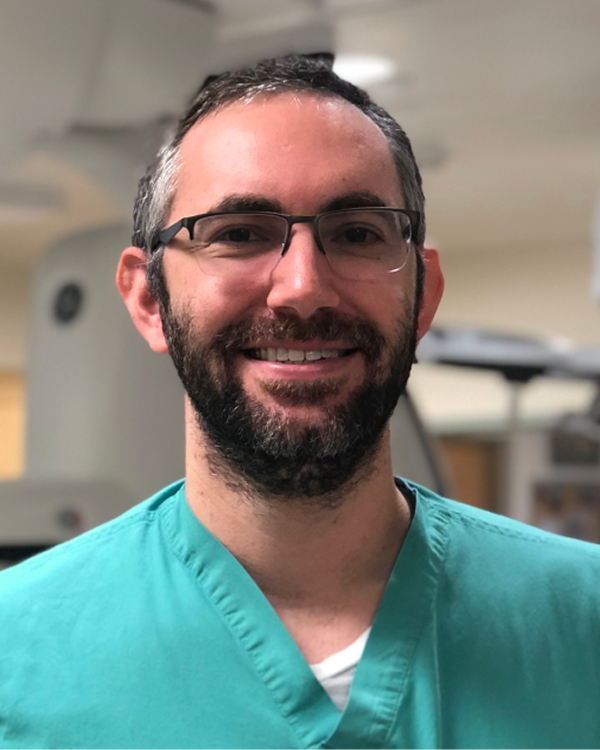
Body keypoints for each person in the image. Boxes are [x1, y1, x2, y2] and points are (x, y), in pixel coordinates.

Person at [0, 54, 599, 749]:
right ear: (148, 299)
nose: (303, 287)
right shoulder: (18, 652)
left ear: (422, 296)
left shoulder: (582, 622)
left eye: (357, 233)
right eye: (239, 233)